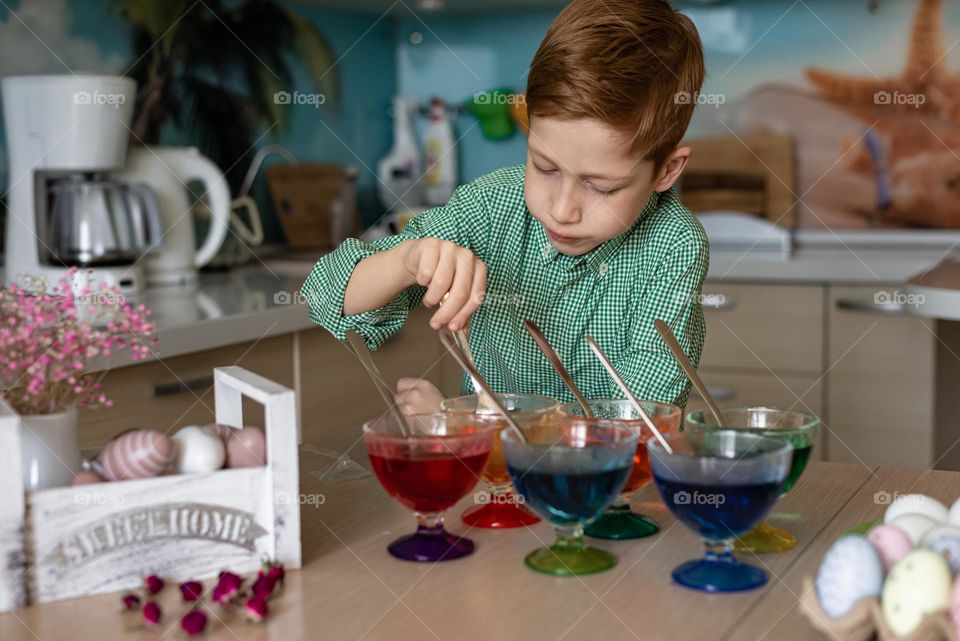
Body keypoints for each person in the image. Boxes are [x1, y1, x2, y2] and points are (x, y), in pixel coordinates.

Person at [301, 0, 709, 415]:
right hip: (490, 476)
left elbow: (636, 424)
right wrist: (407, 260)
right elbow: (323, 294)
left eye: (602, 187)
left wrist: (459, 422)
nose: (563, 209)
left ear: (667, 170)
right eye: (545, 167)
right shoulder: (491, 205)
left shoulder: (674, 247)